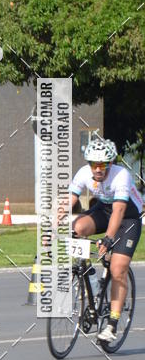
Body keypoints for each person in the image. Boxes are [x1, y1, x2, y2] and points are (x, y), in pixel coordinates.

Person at [70, 136, 142, 343]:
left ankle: (112, 323)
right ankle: (88, 278)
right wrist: (51, 227)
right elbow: (70, 200)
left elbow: (119, 211)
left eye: (102, 164)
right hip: (104, 210)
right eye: (93, 164)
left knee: (118, 268)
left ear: (110, 163)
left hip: (127, 218)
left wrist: (109, 239)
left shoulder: (122, 176)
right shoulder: (85, 173)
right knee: (78, 228)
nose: (97, 169)